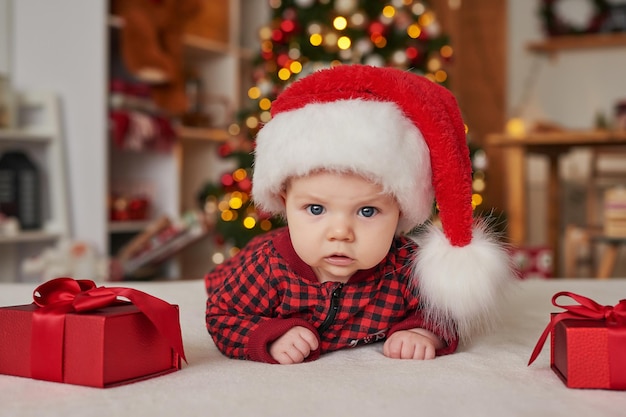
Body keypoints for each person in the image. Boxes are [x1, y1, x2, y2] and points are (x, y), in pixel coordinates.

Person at [205, 64, 512, 364]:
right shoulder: (267, 268)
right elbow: (222, 316)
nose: (341, 232)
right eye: (316, 209)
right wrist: (269, 336)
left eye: (367, 211)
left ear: (400, 211)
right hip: (243, 265)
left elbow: (447, 311)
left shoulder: (403, 267)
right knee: (220, 282)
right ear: (285, 204)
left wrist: (422, 332)